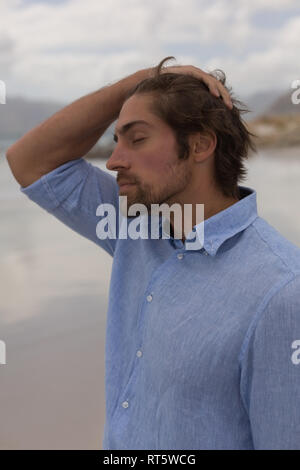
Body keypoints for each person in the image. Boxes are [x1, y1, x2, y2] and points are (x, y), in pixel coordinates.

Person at [5, 56, 300, 450]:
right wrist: (142, 82)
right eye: (116, 141)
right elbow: (28, 161)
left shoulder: (280, 293)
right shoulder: (134, 226)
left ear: (200, 144)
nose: (113, 161)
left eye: (137, 139)